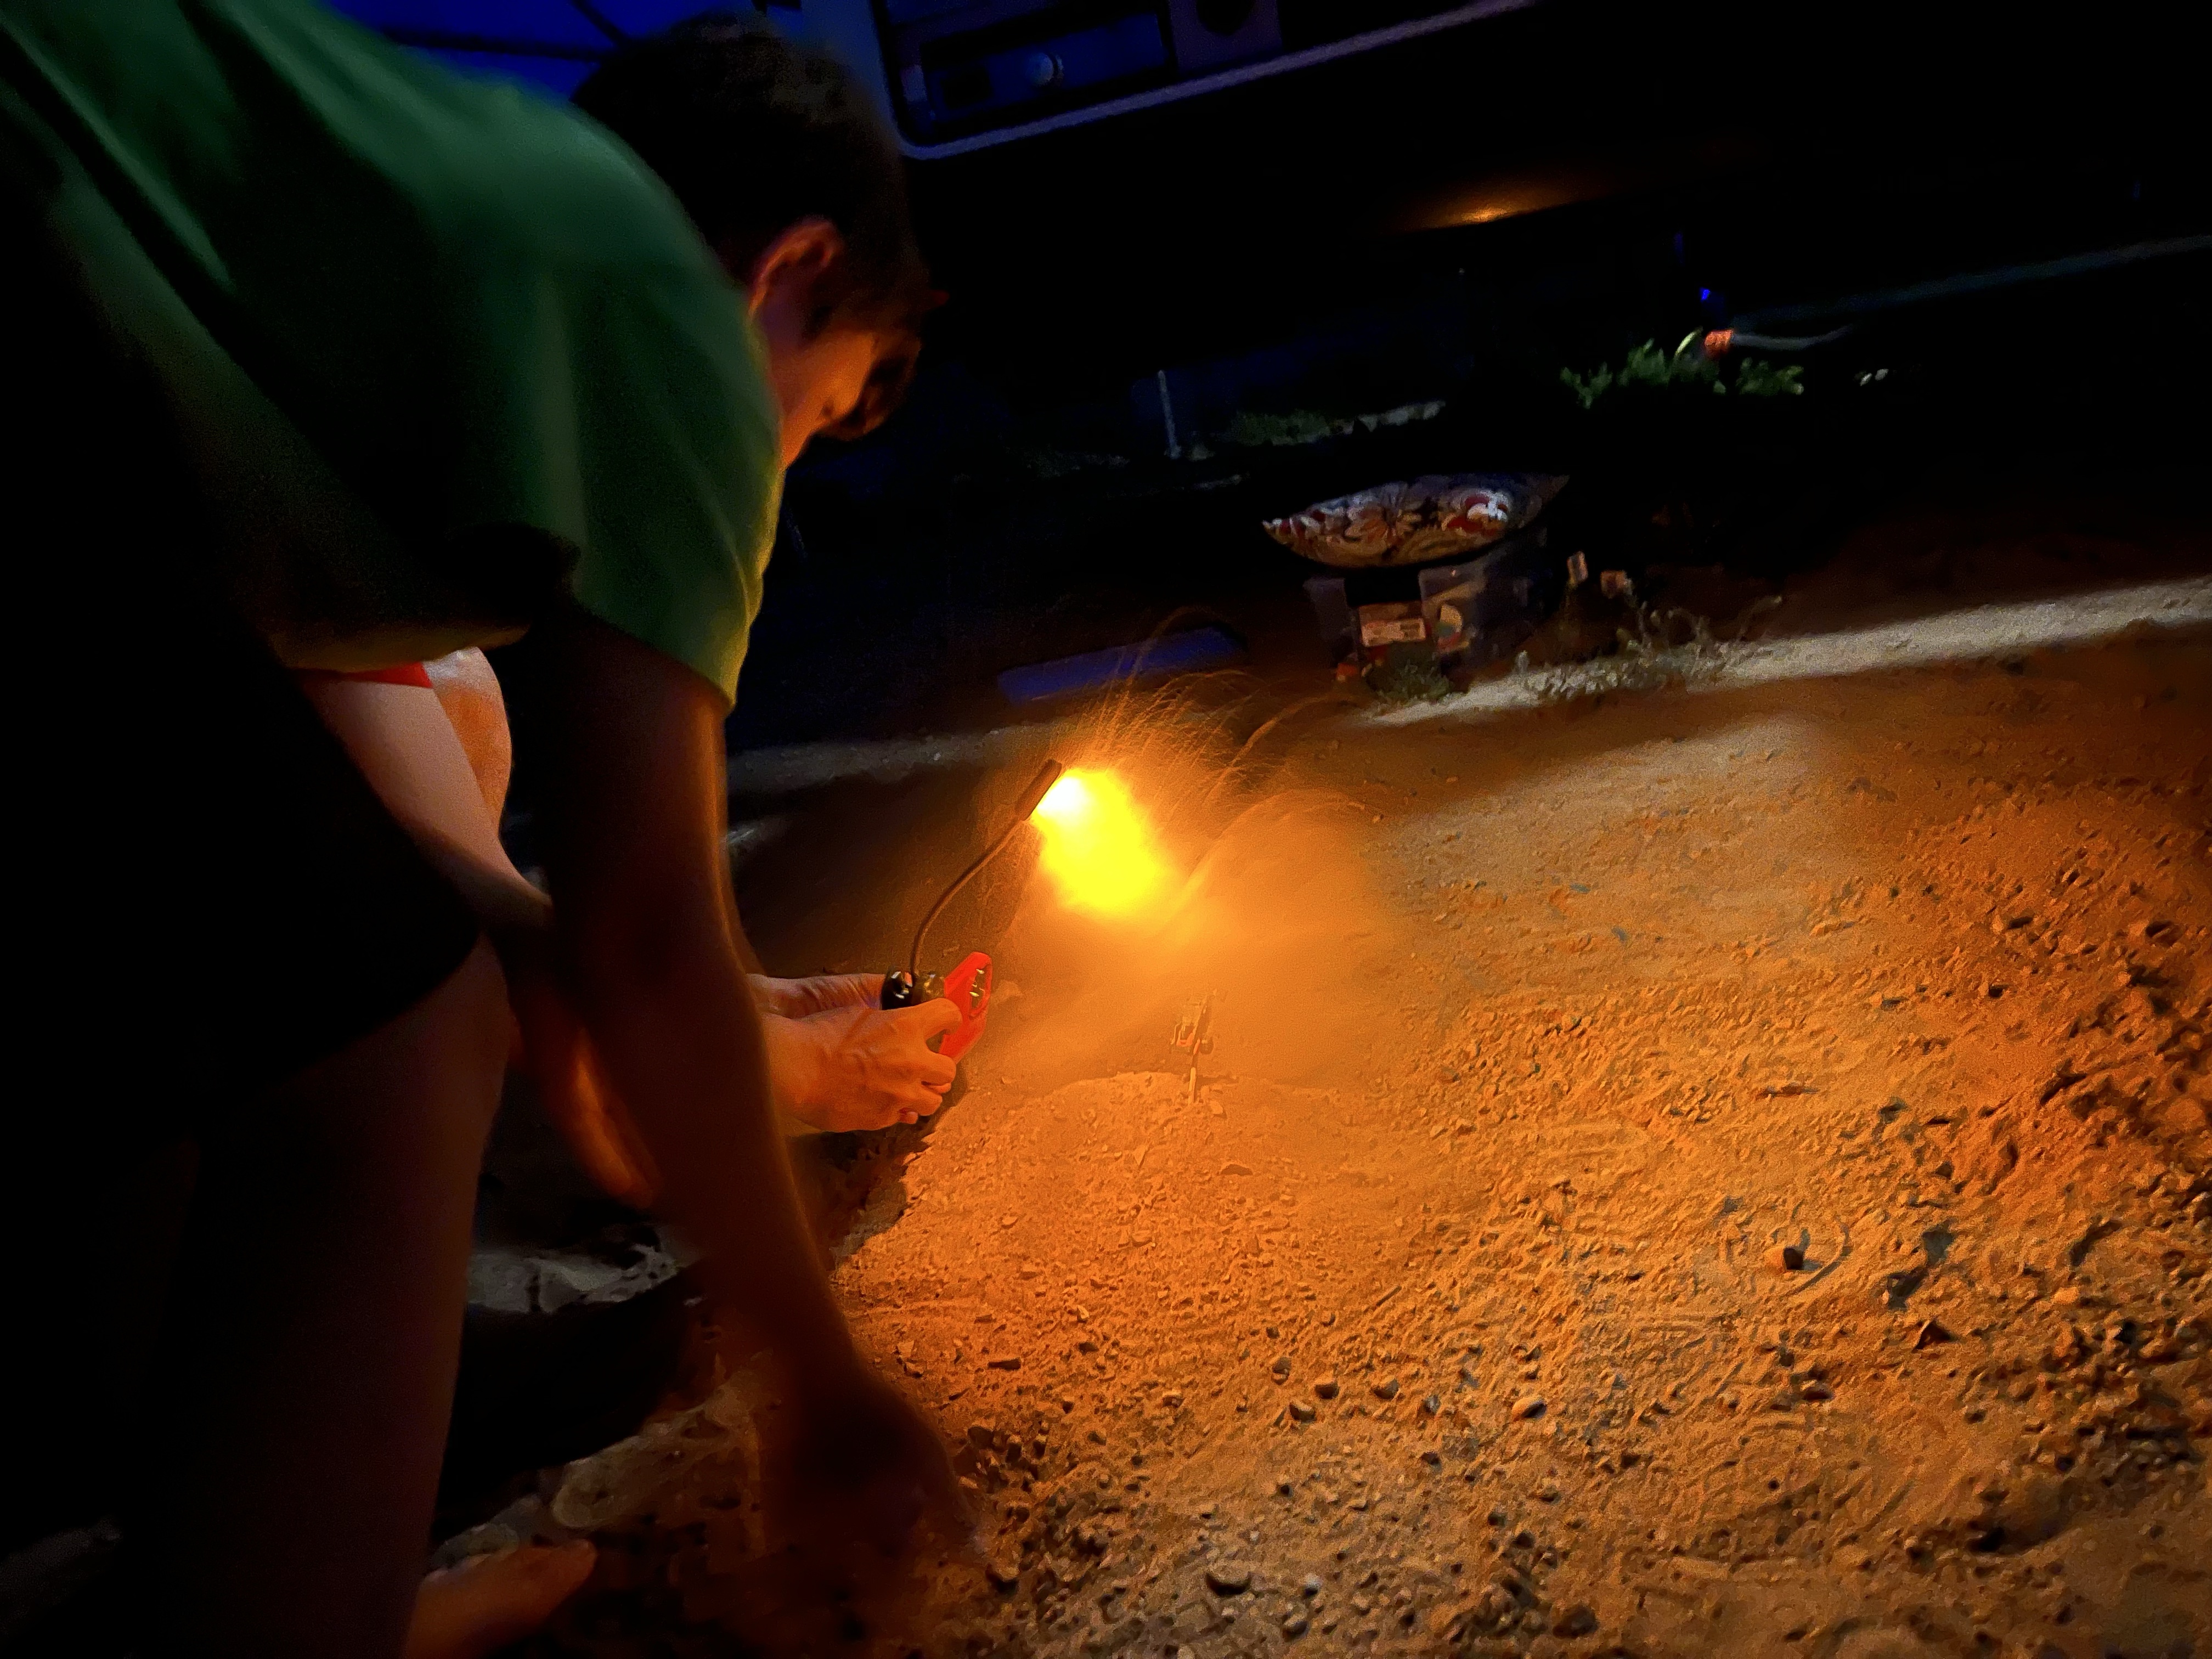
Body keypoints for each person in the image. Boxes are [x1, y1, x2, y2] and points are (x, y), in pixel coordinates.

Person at [1, 5, 963, 1655]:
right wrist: (826, 1382)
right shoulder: (657, 303)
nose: (770, 473)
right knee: (392, 1046)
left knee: (240, 1024)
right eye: (809, 419)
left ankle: (272, 1577)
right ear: (788, 273)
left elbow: (364, 798)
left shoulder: (365, 322)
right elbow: (644, 935)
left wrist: (580, 965)